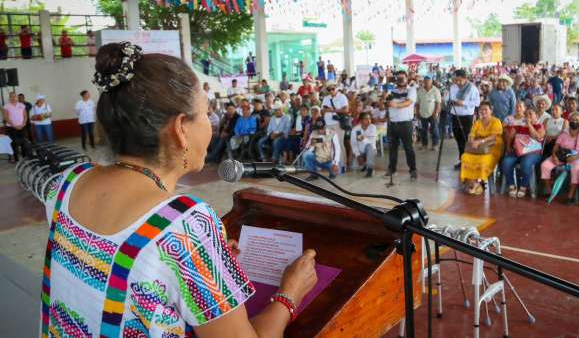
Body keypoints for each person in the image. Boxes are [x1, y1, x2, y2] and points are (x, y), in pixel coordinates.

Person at [42, 41, 318, 337]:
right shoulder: (185, 225)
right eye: (206, 113)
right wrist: (291, 292)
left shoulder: (67, 183)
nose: (211, 123)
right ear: (179, 129)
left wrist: (203, 265)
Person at [540, 111, 579, 199]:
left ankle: (570, 196)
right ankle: (550, 191)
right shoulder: (564, 132)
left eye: (577, 120)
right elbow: (556, 146)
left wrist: (575, 157)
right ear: (569, 120)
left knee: (575, 168)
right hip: (562, 155)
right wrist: (554, 156)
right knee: (545, 165)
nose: (574, 122)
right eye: (572, 119)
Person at [501, 104, 545, 198]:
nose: (528, 116)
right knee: (506, 162)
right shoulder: (519, 126)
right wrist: (509, 146)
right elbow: (511, 137)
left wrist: (529, 124)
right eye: (526, 115)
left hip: (533, 153)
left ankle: (523, 186)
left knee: (526, 163)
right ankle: (511, 185)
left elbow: (537, 137)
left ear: (536, 116)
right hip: (518, 151)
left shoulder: (540, 126)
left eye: (531, 114)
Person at [460, 102, 504, 195]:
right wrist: (472, 140)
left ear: (491, 111)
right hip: (478, 147)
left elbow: (494, 136)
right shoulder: (477, 122)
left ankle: (478, 182)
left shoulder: (496, 121)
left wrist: (480, 141)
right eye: (481, 109)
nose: (483, 111)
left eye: (486, 109)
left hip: (492, 147)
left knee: (483, 160)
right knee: (465, 157)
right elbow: (472, 133)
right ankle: (472, 183)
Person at [385, 70, 418, 179]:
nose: (400, 81)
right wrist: (384, 98)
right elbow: (384, 103)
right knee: (392, 148)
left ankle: (413, 170)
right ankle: (391, 169)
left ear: (407, 78)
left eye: (402, 78)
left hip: (405, 124)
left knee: (408, 148)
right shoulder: (392, 91)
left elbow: (408, 102)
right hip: (393, 123)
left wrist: (395, 104)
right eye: (398, 78)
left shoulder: (411, 90)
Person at [450, 69, 481, 169]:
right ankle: (462, 159)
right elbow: (448, 99)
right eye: (455, 80)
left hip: (466, 117)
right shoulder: (453, 87)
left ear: (465, 79)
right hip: (455, 116)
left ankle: (469, 160)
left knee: (466, 139)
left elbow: (477, 103)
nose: (457, 83)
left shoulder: (472, 88)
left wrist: (464, 103)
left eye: (459, 80)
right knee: (458, 139)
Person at [321, 81, 349, 168]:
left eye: (333, 89)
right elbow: (322, 110)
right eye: (329, 89)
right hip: (328, 124)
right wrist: (326, 110)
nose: (331, 91)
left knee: (339, 143)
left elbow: (346, 110)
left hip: (338, 123)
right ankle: (334, 164)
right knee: (330, 144)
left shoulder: (342, 97)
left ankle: (343, 164)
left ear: (336, 87)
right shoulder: (326, 98)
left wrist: (332, 110)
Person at [416, 75, 441, 151]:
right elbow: (417, 103)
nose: (426, 82)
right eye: (425, 81)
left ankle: (435, 144)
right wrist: (417, 112)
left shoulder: (436, 90)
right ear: (423, 81)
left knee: (434, 129)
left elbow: (438, 103)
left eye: (428, 81)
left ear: (431, 81)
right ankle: (424, 144)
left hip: (432, 113)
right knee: (424, 130)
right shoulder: (420, 90)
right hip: (423, 113)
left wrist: (435, 113)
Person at [3, 92, 28, 160]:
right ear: (9, 98)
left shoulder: (22, 105)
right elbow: (6, 118)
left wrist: (24, 123)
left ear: (17, 97)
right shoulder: (6, 106)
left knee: (24, 142)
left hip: (22, 127)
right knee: (14, 143)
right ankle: (16, 158)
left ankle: (25, 157)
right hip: (11, 128)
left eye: (15, 96)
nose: (13, 98)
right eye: (11, 96)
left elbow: (25, 115)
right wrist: (14, 126)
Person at [351, 112, 377, 177]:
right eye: (366, 119)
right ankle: (365, 164)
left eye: (369, 119)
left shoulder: (373, 127)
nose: (369, 121)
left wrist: (364, 139)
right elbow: (353, 144)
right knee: (354, 166)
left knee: (368, 146)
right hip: (361, 152)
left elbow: (372, 141)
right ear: (361, 120)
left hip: (371, 151)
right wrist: (358, 155)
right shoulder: (355, 129)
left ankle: (370, 168)